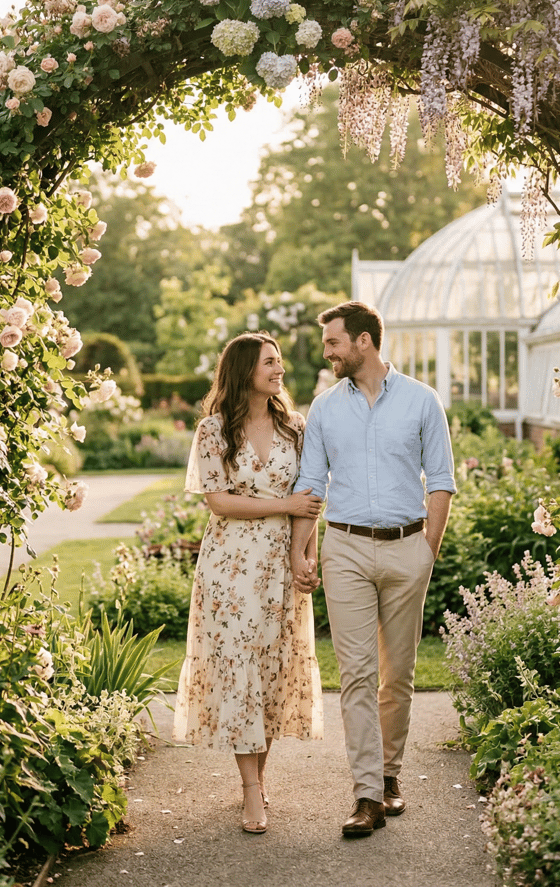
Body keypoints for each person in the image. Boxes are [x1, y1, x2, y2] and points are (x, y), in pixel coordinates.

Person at [289, 301, 456, 837]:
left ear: (364, 341)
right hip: (346, 550)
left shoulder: (422, 401)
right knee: (357, 675)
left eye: (334, 343)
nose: (328, 353)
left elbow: (442, 480)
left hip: (408, 548)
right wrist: (303, 550)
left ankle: (388, 777)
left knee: (397, 675)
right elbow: (311, 485)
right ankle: (365, 796)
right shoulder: (324, 409)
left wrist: (426, 548)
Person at [173, 332, 324, 834]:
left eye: (280, 362)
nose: (280, 370)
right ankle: (251, 791)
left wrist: (307, 554)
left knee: (273, 669)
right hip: (230, 571)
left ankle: (258, 774)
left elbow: (311, 497)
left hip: (280, 566)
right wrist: (285, 506)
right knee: (238, 667)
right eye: (269, 362)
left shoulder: (295, 426)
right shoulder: (213, 430)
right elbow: (219, 501)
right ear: (244, 371)